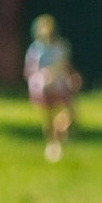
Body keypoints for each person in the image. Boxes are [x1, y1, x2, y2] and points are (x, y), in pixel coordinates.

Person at [26, 13, 80, 161]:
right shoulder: (36, 50)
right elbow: (30, 70)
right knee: (48, 117)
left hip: (60, 85)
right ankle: (52, 145)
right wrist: (42, 77)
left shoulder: (61, 47)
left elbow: (66, 65)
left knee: (71, 115)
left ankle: (58, 135)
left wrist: (73, 76)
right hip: (44, 87)